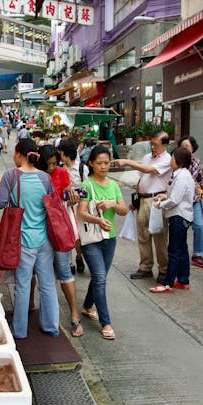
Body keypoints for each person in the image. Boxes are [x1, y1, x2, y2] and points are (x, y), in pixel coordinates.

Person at [0, 139, 60, 340]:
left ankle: (20, 330)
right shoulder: (45, 178)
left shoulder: (11, 176)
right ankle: (51, 326)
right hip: (44, 240)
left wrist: (14, 201)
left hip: (22, 240)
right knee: (47, 284)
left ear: (19, 154)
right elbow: (52, 204)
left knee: (22, 286)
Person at [78, 145, 127, 340]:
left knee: (100, 277)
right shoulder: (85, 186)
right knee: (99, 277)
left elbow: (123, 210)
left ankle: (87, 305)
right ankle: (106, 322)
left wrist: (112, 204)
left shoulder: (114, 185)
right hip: (91, 240)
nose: (104, 166)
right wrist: (98, 219)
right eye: (99, 163)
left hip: (110, 239)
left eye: (106, 163)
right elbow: (81, 212)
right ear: (91, 163)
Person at [114, 131, 172, 284]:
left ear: (165, 145)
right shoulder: (147, 158)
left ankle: (164, 268)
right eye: (151, 144)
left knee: (159, 236)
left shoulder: (167, 159)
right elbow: (142, 178)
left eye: (156, 145)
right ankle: (145, 266)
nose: (153, 147)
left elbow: (148, 171)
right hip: (143, 198)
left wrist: (126, 162)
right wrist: (136, 196)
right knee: (143, 235)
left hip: (157, 200)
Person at [38, 145, 83, 337]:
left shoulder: (62, 173)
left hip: (58, 228)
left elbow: (68, 196)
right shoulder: (36, 175)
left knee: (64, 270)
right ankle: (35, 310)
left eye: (54, 164)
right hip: (40, 227)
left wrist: (71, 199)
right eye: (48, 164)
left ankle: (74, 315)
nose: (51, 167)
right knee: (38, 271)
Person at [149, 147, 195, 293]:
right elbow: (176, 195)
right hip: (182, 215)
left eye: (172, 157)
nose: (170, 160)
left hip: (179, 216)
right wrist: (164, 197)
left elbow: (175, 200)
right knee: (181, 249)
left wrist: (160, 204)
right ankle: (183, 280)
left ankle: (167, 283)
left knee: (174, 250)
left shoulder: (181, 176)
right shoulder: (182, 174)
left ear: (179, 160)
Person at [177, 135, 203, 269]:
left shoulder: (196, 162)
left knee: (199, 225)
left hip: (195, 200)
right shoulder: (176, 162)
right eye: (182, 147)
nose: (185, 149)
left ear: (192, 149)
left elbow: (201, 178)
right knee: (180, 228)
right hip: (180, 201)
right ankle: (179, 253)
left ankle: (197, 254)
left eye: (187, 147)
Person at [58, 137, 89, 274]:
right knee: (68, 234)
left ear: (65, 153)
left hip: (80, 207)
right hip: (65, 207)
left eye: (60, 152)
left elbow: (88, 189)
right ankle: (69, 262)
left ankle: (79, 256)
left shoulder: (82, 168)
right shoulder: (59, 169)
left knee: (80, 235)